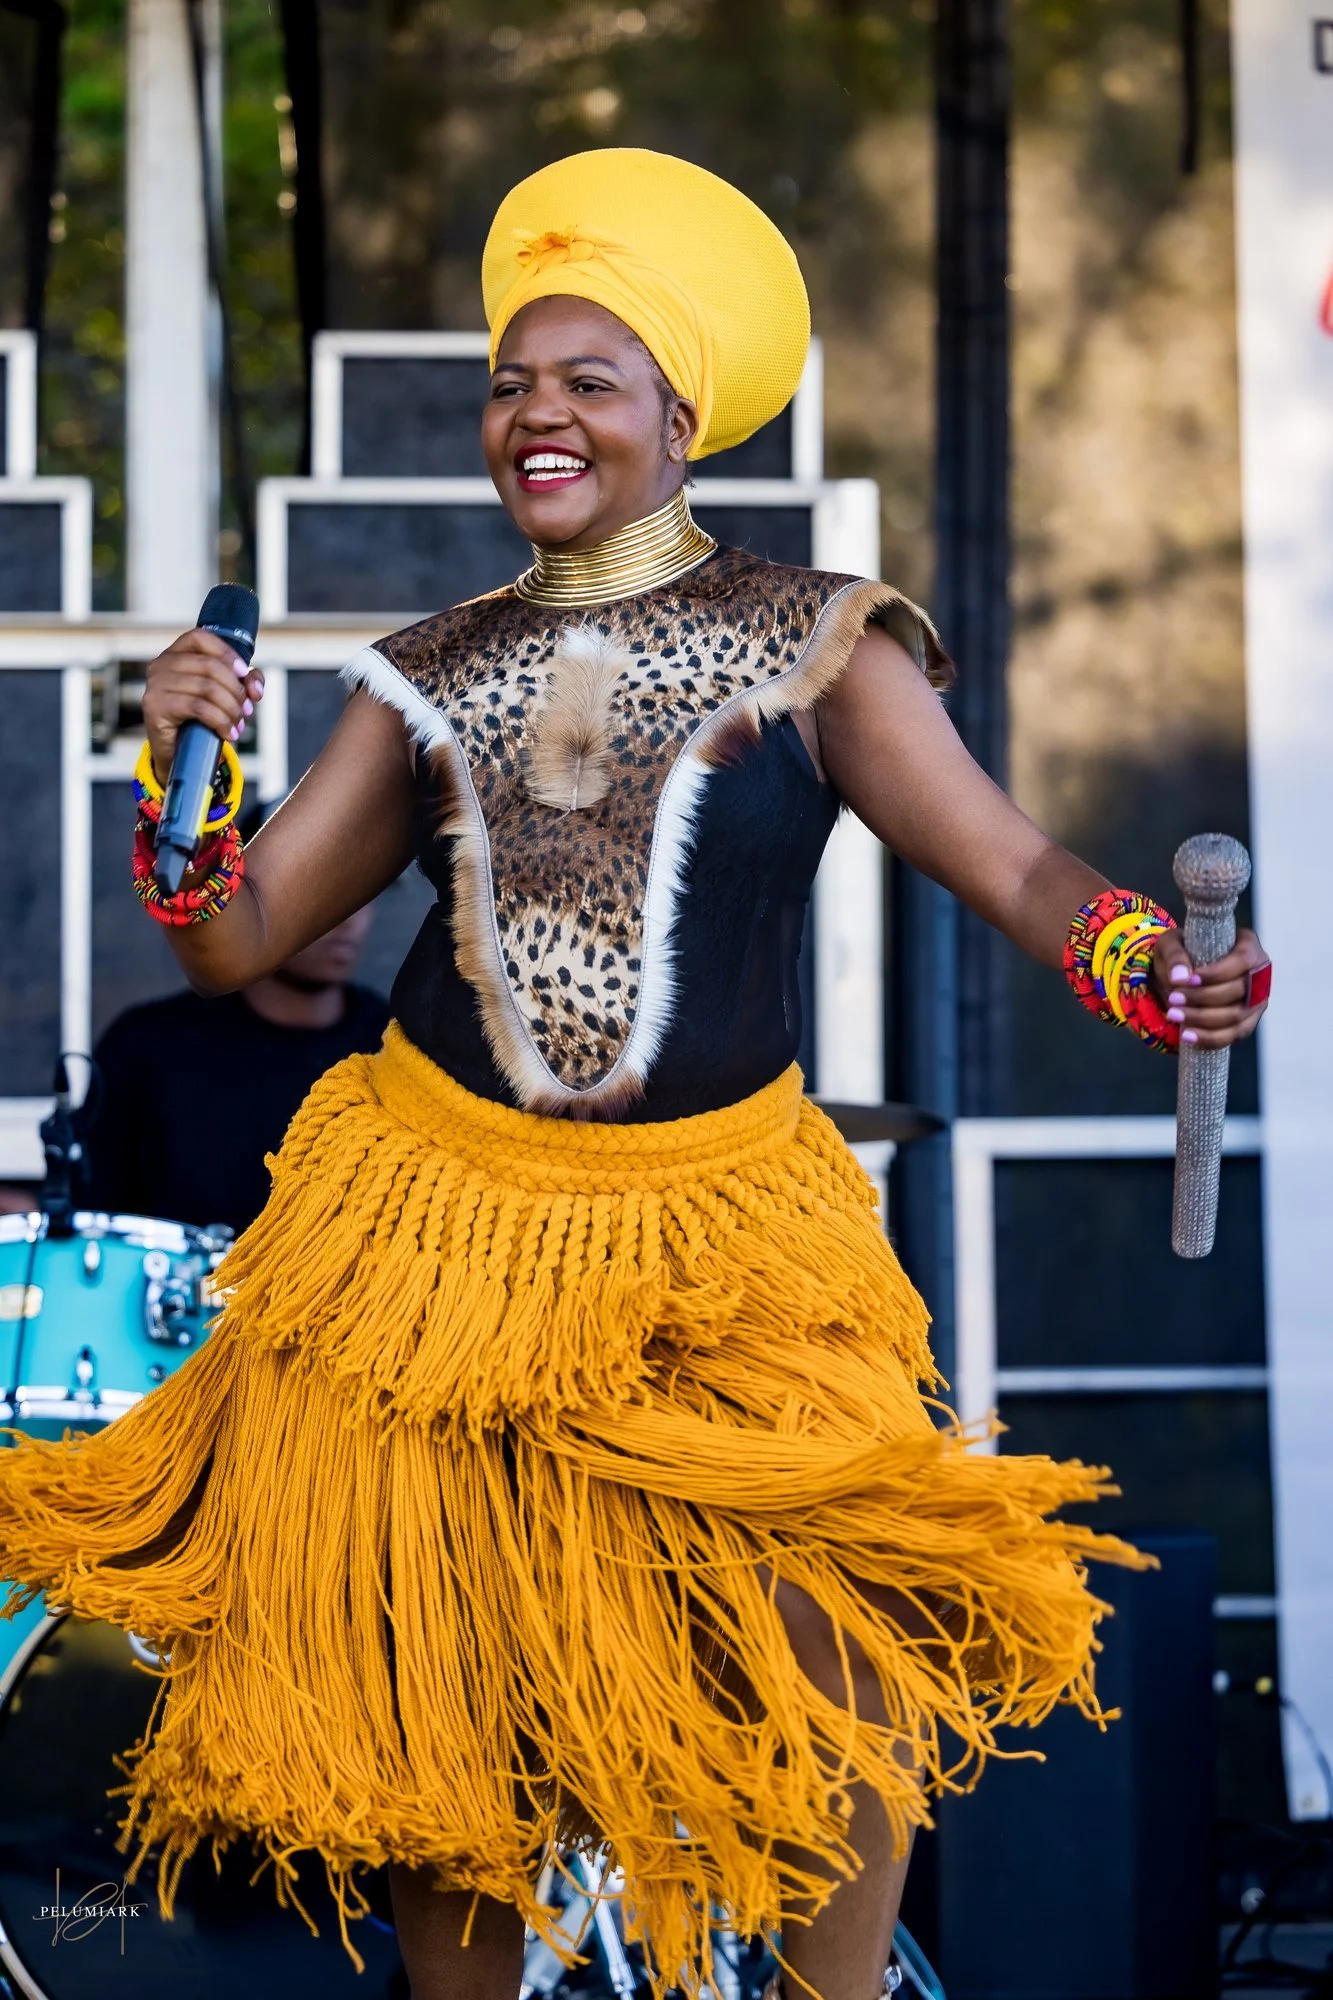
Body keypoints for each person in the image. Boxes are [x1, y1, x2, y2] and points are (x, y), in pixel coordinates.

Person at [0, 150, 1270, 2000]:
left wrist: (1149, 967)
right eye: (511, 382)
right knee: (452, 1706)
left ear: (677, 418)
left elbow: (1004, 862)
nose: (536, 411)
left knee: (833, 1642)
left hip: (726, 1233)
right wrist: (175, 776)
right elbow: (233, 939)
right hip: (433, 1232)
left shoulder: (820, 639)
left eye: (586, 380)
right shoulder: (426, 674)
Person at [83, 908, 389, 1236]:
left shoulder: (401, 1050)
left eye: (365, 895)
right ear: (261, 892)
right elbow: (88, 1217)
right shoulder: (143, 1045)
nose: (347, 918)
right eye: (330, 888)